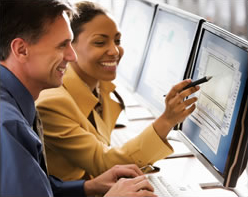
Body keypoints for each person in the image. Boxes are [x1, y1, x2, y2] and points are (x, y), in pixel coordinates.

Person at [0, 0, 156, 196]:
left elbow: (36, 186)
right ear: (21, 50)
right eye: (62, 45)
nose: (72, 56)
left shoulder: (15, 102)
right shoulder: (8, 125)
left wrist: (88, 187)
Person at [36, 1, 199, 182]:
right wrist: (167, 120)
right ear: (70, 47)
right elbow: (105, 165)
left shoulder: (99, 85)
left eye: (117, 41)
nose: (115, 51)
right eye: (100, 42)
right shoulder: (51, 102)